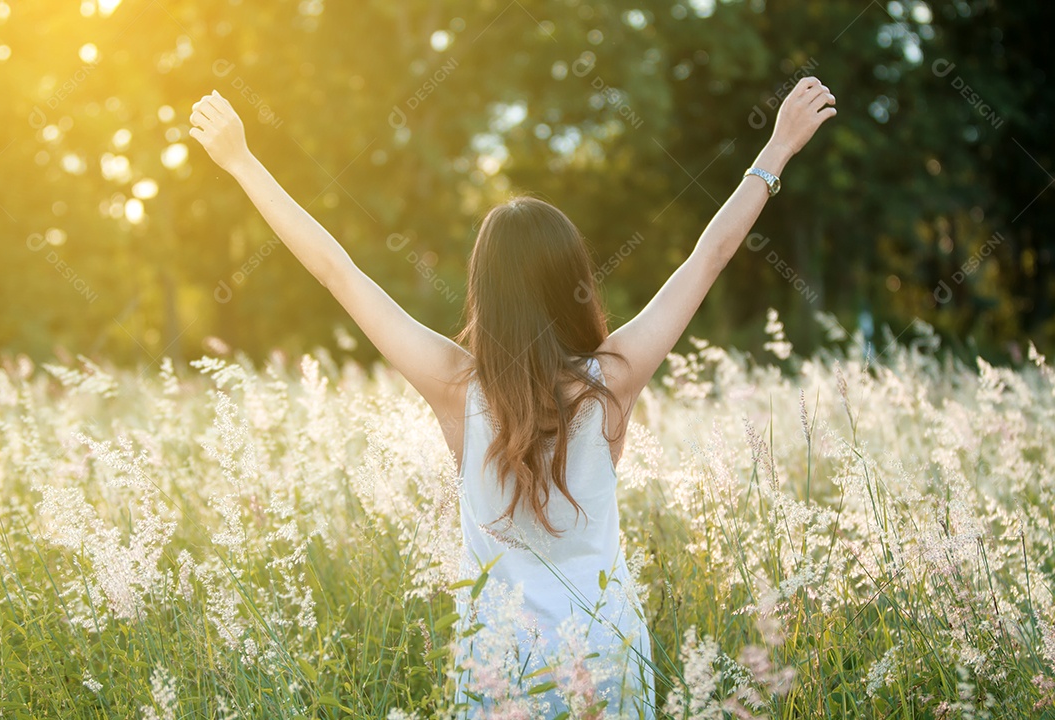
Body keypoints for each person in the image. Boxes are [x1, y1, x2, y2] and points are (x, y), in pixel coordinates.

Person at [189, 75, 836, 718]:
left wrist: (242, 160)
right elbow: (709, 257)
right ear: (574, 282)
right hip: (608, 664)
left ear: (484, 292)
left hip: (499, 674)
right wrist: (776, 149)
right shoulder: (612, 378)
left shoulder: (454, 385)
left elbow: (338, 272)